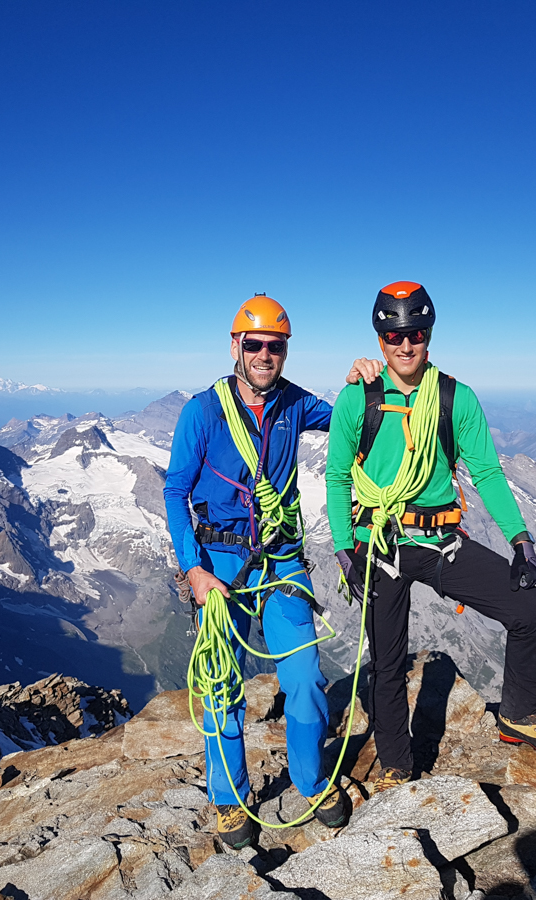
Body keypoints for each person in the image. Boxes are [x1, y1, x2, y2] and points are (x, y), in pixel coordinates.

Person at [326, 281, 536, 793]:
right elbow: (337, 477)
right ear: (380, 339)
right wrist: (344, 549)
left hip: (440, 542)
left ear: (429, 334)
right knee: (388, 660)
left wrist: (520, 539)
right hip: (380, 543)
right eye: (393, 335)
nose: (404, 344)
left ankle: (517, 714)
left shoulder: (455, 399)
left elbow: (486, 473)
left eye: (414, 333)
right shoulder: (357, 399)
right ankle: (397, 763)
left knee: (533, 613)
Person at [163, 294, 378, 849]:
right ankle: (229, 799)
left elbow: (353, 420)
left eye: (274, 346)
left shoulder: (295, 404)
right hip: (221, 566)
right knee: (221, 681)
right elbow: (175, 491)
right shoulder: (202, 412)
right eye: (254, 344)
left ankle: (310, 781)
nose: (264, 354)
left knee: (304, 675)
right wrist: (193, 569)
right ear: (235, 346)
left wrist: (362, 382)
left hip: (281, 561)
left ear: (284, 351)